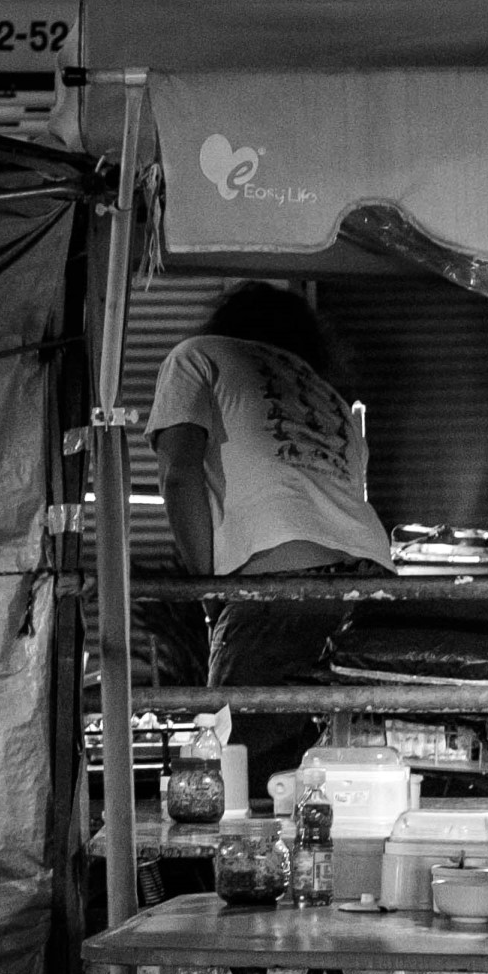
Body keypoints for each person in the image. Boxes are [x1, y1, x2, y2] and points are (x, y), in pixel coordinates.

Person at [147, 283, 392, 791]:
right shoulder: (328, 396)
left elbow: (180, 474)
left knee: (247, 779)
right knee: (350, 780)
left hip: (278, 590)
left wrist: (209, 591)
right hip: (373, 592)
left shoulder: (196, 357)